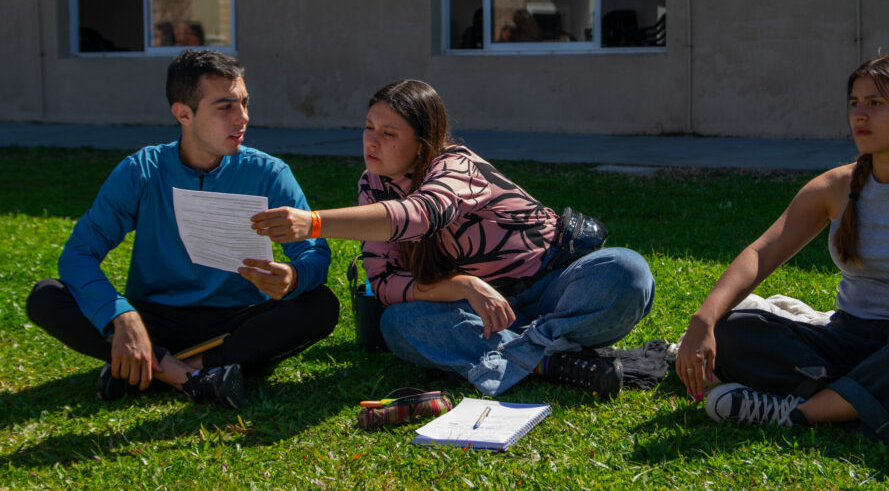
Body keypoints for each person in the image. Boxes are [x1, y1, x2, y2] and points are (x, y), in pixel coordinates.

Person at [251, 79, 655, 397]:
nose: (372, 141)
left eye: (389, 133)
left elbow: (420, 214)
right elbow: (385, 282)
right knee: (398, 324)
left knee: (626, 271)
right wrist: (459, 285)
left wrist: (316, 222)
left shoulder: (457, 166)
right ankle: (553, 359)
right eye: (369, 127)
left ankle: (520, 357)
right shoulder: (373, 185)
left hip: (554, 288)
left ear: (423, 142)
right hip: (481, 312)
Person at [675, 53, 889, 444]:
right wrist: (704, 320)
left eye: (875, 104)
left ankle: (800, 413)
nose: (860, 115)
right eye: (855, 103)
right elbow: (762, 253)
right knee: (732, 331)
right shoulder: (836, 186)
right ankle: (876, 403)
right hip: (846, 340)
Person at [26, 50, 337, 409]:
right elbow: (79, 253)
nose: (243, 118)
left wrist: (293, 276)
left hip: (237, 319)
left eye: (245, 103)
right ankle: (191, 376)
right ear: (183, 114)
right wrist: (121, 316)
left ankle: (156, 369)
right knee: (46, 296)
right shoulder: (141, 170)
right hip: (155, 317)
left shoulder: (269, 173)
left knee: (321, 304)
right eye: (226, 107)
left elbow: (315, 252)